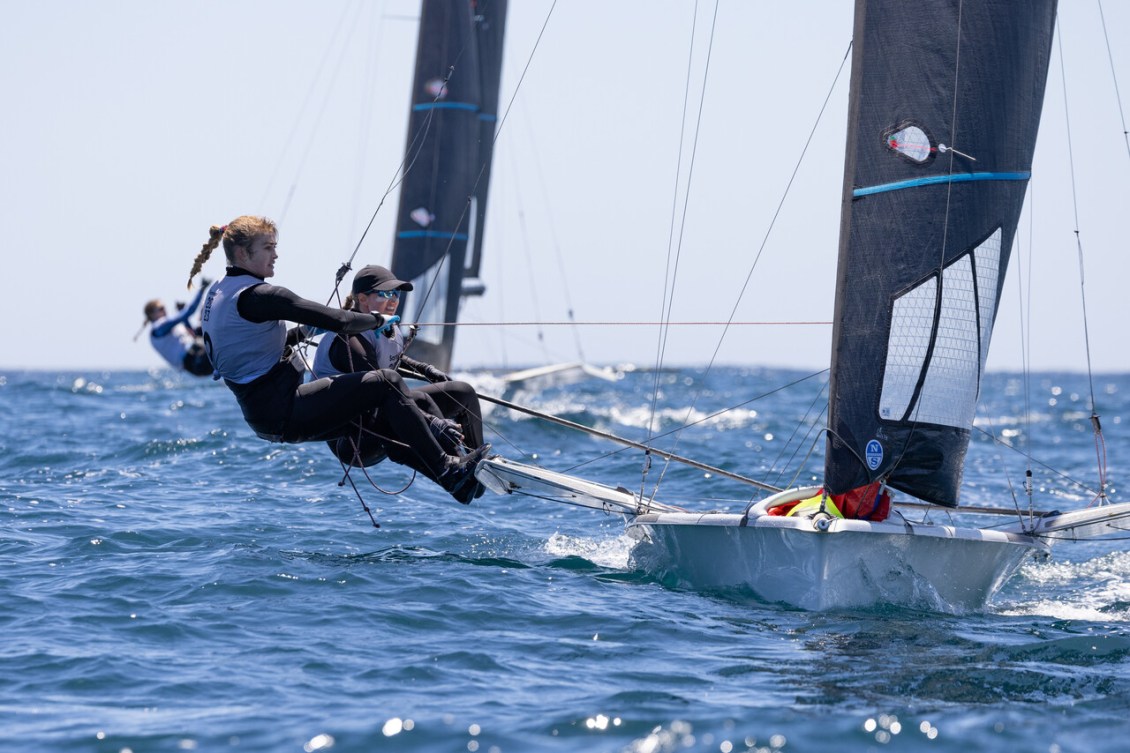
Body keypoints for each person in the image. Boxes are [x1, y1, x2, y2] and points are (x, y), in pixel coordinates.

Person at [187, 215, 490, 504]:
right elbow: (340, 321)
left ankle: (457, 477)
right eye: (268, 248)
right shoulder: (262, 297)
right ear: (242, 252)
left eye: (275, 247)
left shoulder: (220, 292)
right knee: (387, 382)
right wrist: (373, 321)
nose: (276, 255)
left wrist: (303, 332)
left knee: (387, 416)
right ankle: (449, 469)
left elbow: (250, 349)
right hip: (282, 410)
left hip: (266, 412)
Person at [311, 265, 487, 498]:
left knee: (461, 393)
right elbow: (381, 387)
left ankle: (478, 466)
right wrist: (434, 422)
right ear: (362, 299)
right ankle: (455, 470)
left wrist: (424, 369)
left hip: (382, 418)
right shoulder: (348, 339)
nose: (393, 299)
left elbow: (392, 356)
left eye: (396, 294)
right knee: (420, 401)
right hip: (354, 441)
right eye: (385, 294)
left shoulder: (387, 326)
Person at [143, 283, 213, 376]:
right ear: (151, 314)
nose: (165, 311)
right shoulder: (158, 329)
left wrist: (183, 315)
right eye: (161, 309)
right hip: (195, 362)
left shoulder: (171, 327)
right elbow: (189, 311)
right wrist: (201, 290)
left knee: (203, 322)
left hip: (197, 357)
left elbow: (193, 335)